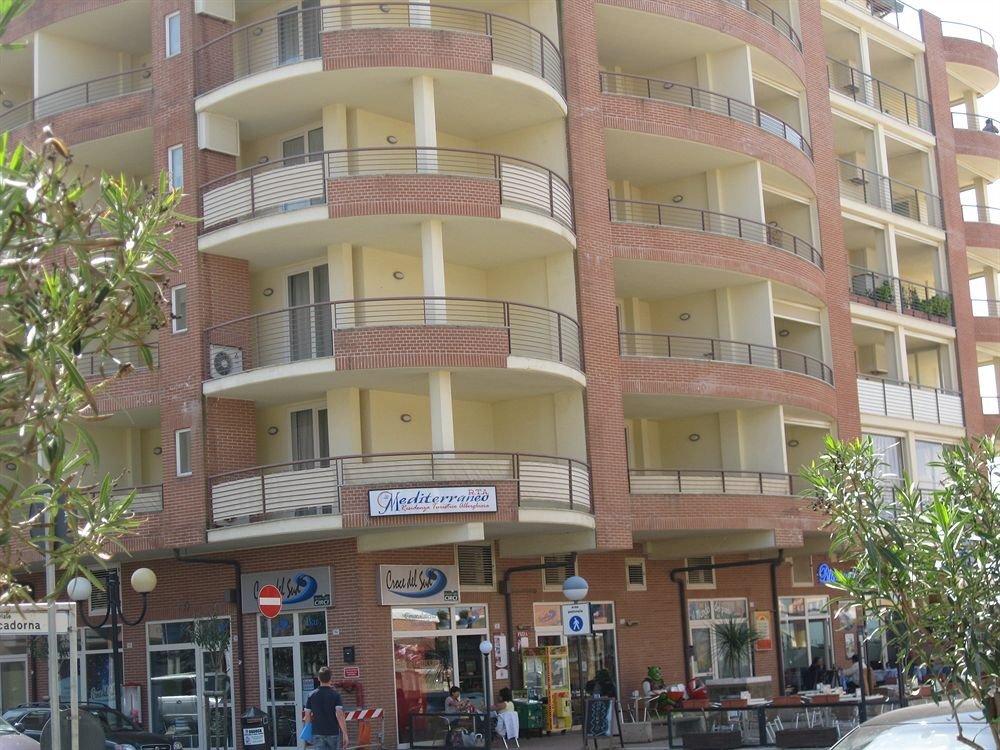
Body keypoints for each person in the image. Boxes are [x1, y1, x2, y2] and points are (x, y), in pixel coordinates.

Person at [304, 666, 348, 750]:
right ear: (330, 678)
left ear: (318, 678)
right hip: (333, 732)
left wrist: (307, 734)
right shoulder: (336, 695)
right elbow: (340, 716)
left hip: (317, 732)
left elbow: (307, 716)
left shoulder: (311, 695)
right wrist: (345, 734)